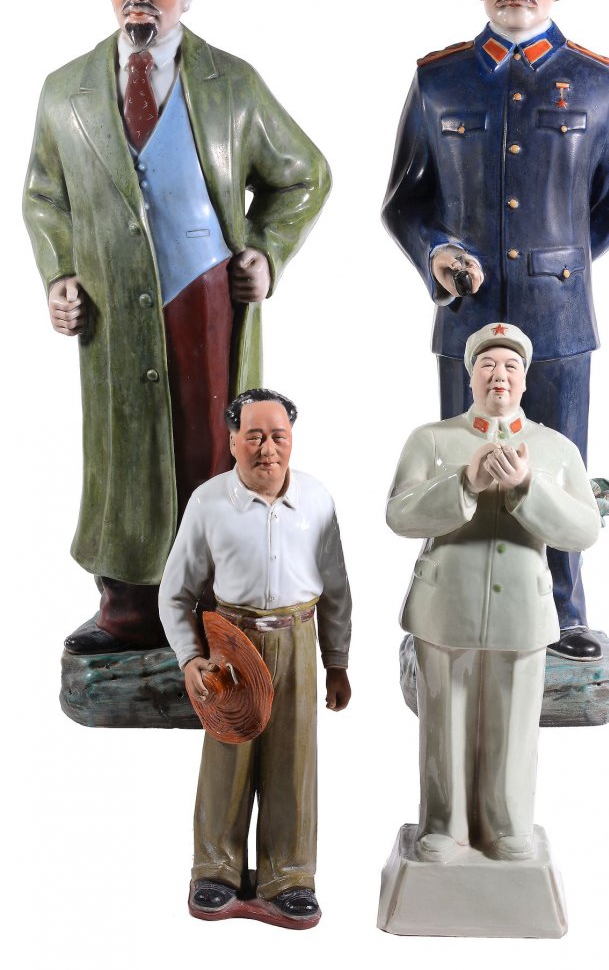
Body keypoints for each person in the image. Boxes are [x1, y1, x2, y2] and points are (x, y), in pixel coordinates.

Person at [23, 0, 330, 656]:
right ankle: (128, 608)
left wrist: (267, 251)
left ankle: (217, 604)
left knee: (208, 446)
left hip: (205, 300)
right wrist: (60, 272)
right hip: (111, 311)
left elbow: (304, 175)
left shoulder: (234, 83)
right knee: (124, 453)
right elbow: (43, 197)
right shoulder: (65, 90)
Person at [382, 0, 609, 661]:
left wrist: (563, 264)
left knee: (557, 464)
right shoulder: (440, 80)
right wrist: (436, 253)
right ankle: (452, 609)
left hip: (558, 321)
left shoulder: (597, 82)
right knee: (458, 460)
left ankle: (561, 612)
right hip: (466, 318)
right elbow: (405, 202)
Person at [386, 323, 599, 863]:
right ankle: (444, 824)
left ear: (524, 380)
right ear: (470, 376)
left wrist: (529, 486)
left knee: (515, 722)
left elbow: (583, 530)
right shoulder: (431, 440)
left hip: (522, 609)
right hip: (444, 606)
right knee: (444, 723)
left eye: (510, 367)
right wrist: (464, 483)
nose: (498, 375)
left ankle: (508, 824)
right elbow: (400, 514)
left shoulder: (555, 448)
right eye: (487, 365)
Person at [159, 389, 352, 927]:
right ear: (232, 441)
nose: (268, 448)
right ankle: (215, 869)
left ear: (292, 440)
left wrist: (336, 661)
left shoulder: (316, 500)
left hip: (298, 639)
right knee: (228, 755)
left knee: (294, 759)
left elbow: (337, 589)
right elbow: (175, 593)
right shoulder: (209, 503)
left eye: (278, 436)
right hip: (231, 644)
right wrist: (190, 659)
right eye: (255, 436)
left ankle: (289, 875)